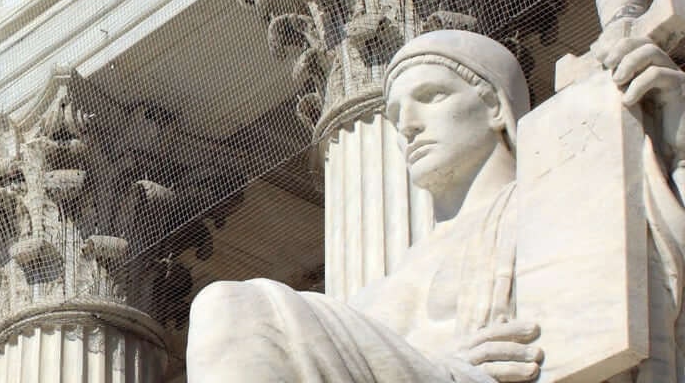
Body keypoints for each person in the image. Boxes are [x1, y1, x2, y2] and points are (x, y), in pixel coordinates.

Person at [185, 30, 685, 382]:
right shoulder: (377, 293)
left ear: (495, 105)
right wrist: (444, 362)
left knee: (231, 309)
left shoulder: (553, 202)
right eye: (399, 113)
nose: (408, 125)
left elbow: (660, 270)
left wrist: (673, 135)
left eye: (432, 96)